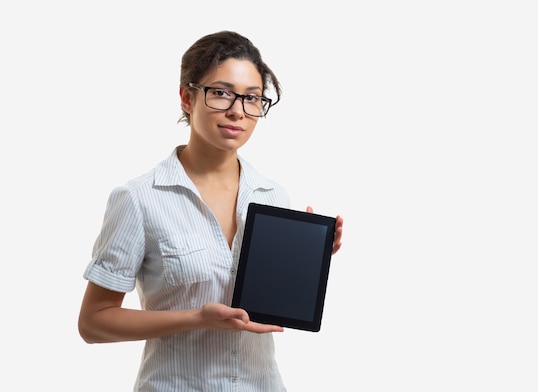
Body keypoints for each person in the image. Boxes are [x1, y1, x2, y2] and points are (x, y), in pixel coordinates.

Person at [78, 30, 344, 391]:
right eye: (221, 93)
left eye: (251, 98)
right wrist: (197, 318)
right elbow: (94, 323)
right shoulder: (139, 198)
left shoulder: (273, 194)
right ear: (187, 98)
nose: (238, 110)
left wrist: (308, 257)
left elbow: (272, 303)